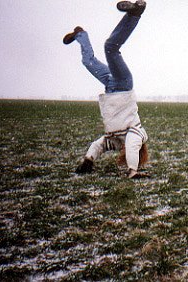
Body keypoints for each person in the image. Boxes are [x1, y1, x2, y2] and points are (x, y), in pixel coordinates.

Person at [63, 1, 149, 179]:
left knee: (88, 62)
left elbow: (99, 144)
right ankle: (135, 14)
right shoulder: (137, 135)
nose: (123, 152)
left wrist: (88, 160)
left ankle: (81, 35)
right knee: (111, 48)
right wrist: (133, 170)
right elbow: (132, 146)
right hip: (123, 85)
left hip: (111, 87)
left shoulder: (117, 141)